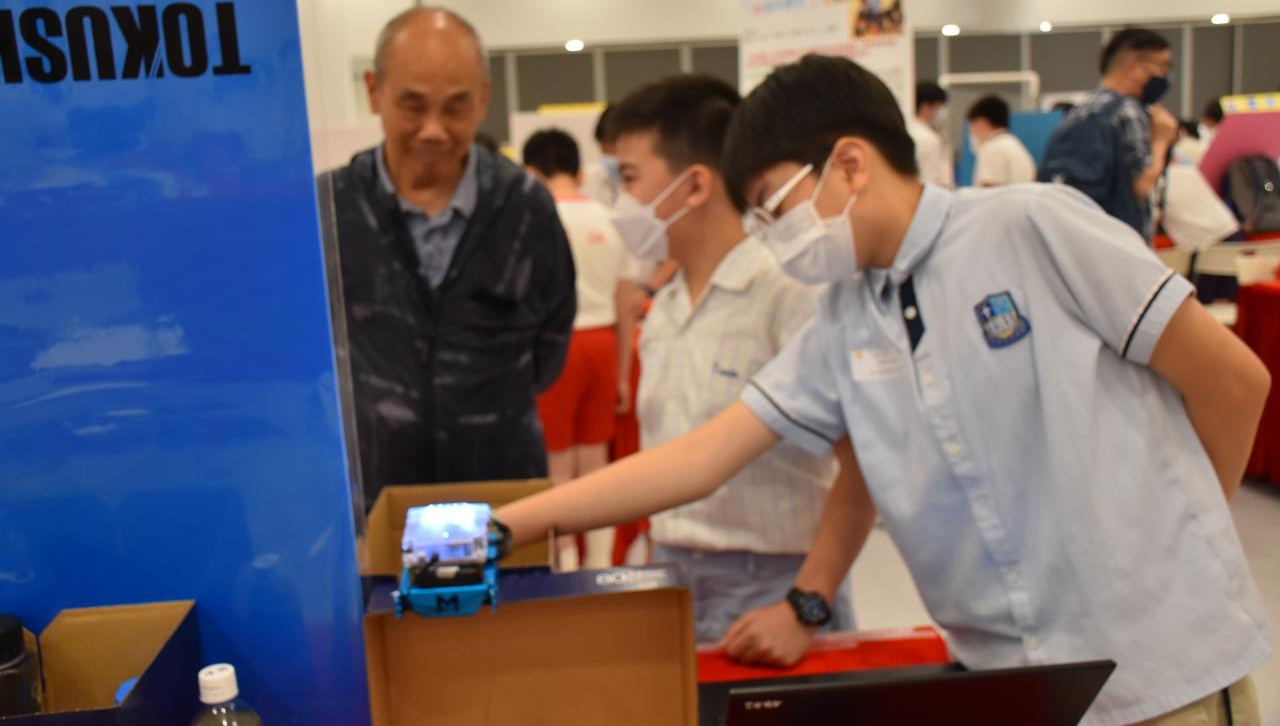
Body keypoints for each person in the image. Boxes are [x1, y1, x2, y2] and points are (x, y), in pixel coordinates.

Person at [496, 54, 1272, 726]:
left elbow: (1234, 383)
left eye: (776, 205)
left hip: (1159, 671)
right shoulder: (845, 316)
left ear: (850, 164)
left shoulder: (1028, 227)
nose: (772, 236)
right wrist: (506, 524)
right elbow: (702, 456)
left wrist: (1171, 552)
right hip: (1008, 677)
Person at [608, 74, 854, 644]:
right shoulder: (665, 308)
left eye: (629, 178)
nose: (620, 202)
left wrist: (805, 604)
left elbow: (860, 465)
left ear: (694, 185)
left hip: (772, 584)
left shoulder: (786, 292)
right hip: (672, 575)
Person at [322, 7, 576, 511]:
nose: (434, 130)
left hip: (503, 495)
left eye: (456, 108)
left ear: (483, 97)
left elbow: (551, 346)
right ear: (374, 90)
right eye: (413, 106)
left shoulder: (526, 207)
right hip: (373, 499)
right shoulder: (331, 209)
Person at [522, 128, 638, 571]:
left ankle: (566, 564)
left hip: (558, 348)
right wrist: (623, 372)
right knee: (595, 459)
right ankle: (601, 561)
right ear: (579, 171)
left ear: (531, 172)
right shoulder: (611, 219)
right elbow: (626, 303)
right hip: (603, 344)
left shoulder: (535, 219)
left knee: (557, 464)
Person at [1039, 28, 1180, 240]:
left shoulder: (1080, 110)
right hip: (1119, 238)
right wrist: (1161, 139)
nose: (1164, 75)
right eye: (1162, 65)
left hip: (1080, 236)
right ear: (1133, 65)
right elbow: (1142, 185)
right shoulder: (1127, 110)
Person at [967, 95, 1036, 187]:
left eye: (972, 125)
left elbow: (989, 191)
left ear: (981, 122)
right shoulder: (1015, 145)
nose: (971, 131)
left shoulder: (991, 149)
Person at [906, 81, 953, 189]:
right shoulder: (928, 138)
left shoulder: (908, 130)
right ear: (926, 106)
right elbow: (932, 181)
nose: (941, 113)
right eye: (940, 107)